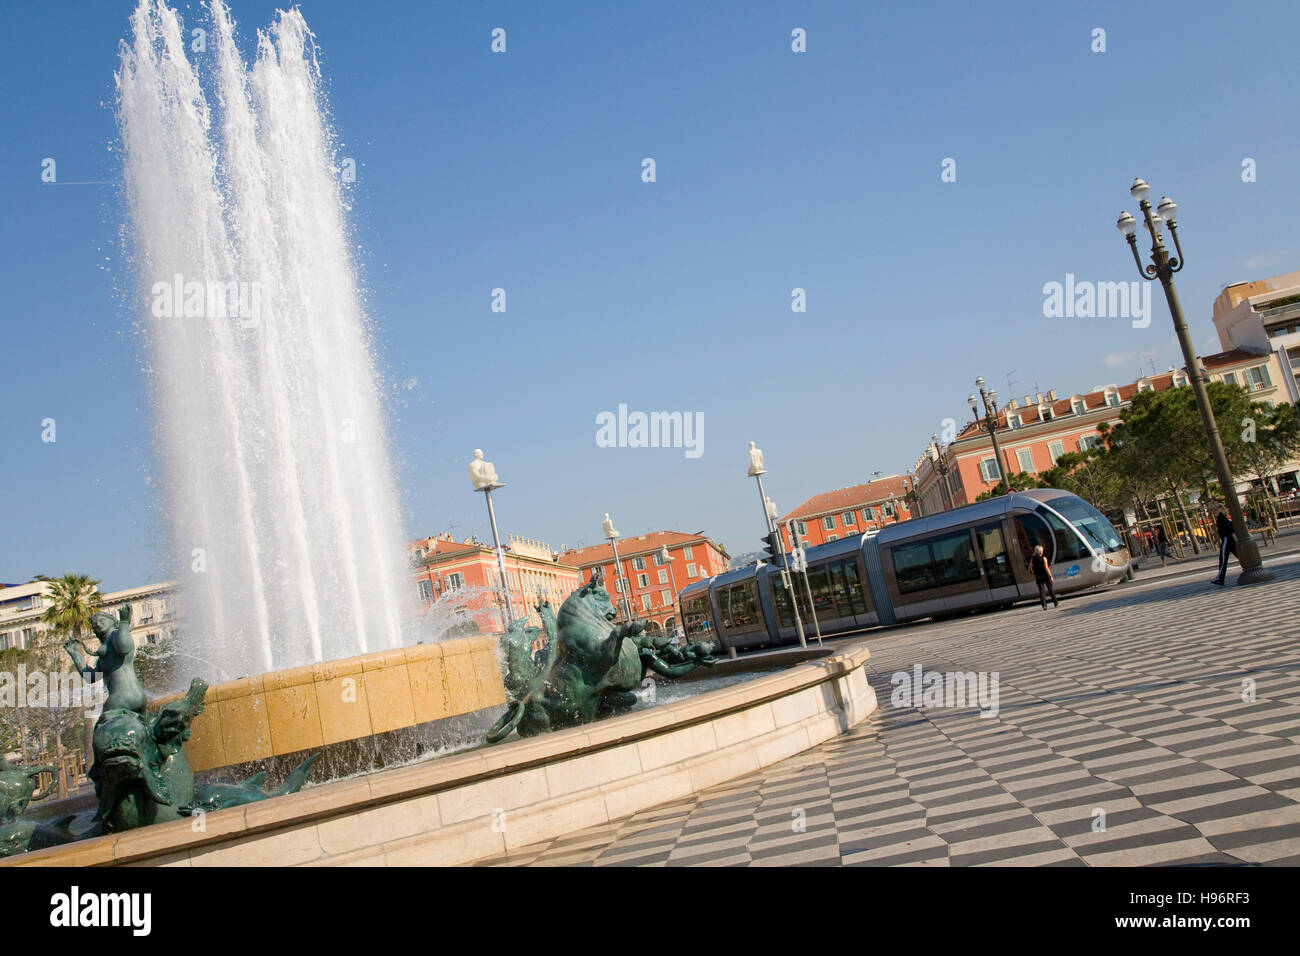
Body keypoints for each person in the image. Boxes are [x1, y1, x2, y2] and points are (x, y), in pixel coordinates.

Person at [1029, 544, 1058, 609]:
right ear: (1041, 551)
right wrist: (1051, 576)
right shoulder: (1044, 558)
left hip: (1038, 576)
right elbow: (1046, 568)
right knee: (1050, 589)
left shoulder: (1033, 559)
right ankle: (1055, 602)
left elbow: (1030, 567)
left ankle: (1044, 605)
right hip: (1045, 575)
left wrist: (1033, 571)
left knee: (1041, 591)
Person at [1212, 510, 1236, 586]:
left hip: (1227, 540)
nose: (1211, 512)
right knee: (1239, 555)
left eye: (1211, 510)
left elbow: (1230, 530)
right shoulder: (1221, 518)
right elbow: (1222, 530)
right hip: (1229, 540)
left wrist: (1236, 540)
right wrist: (1216, 539)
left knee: (1223, 560)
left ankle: (1220, 579)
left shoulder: (1221, 518)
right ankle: (1247, 566)